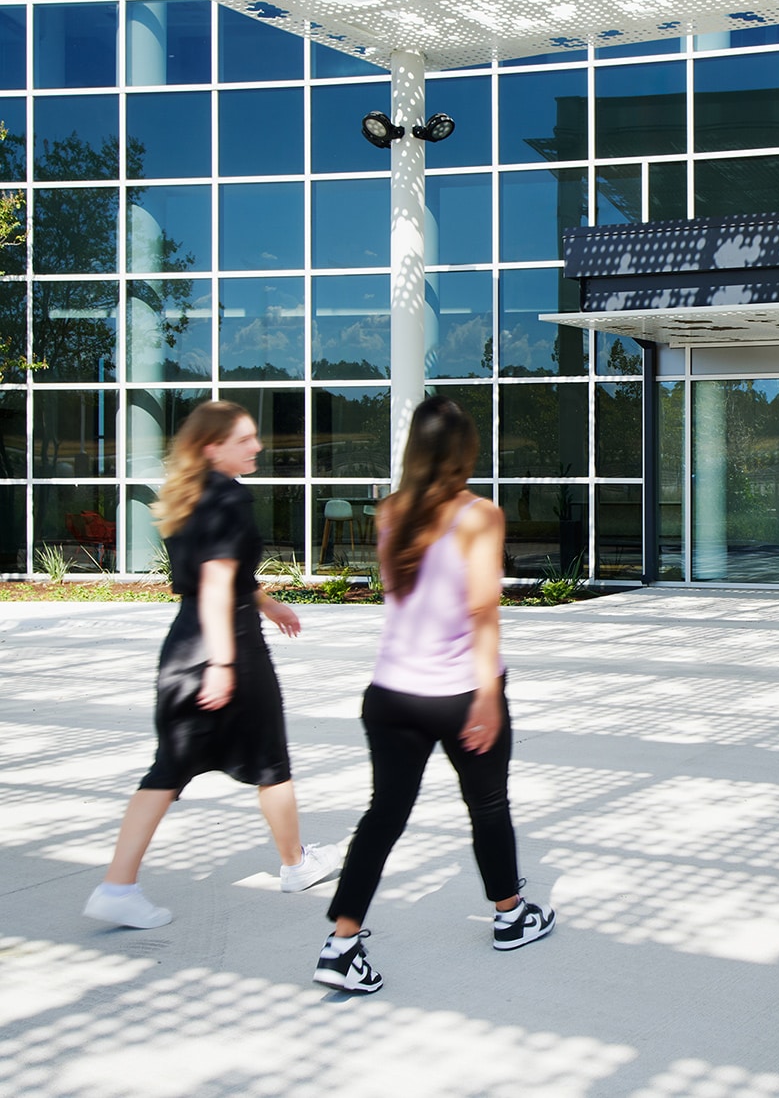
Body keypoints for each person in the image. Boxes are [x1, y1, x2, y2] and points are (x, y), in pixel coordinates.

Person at [314, 396, 554, 995]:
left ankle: (341, 945)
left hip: (391, 692)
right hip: (458, 689)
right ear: (464, 450)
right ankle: (510, 916)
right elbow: (481, 610)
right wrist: (486, 699)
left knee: (384, 815)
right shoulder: (479, 515)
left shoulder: (389, 510)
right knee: (488, 804)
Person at [84, 401, 343, 930]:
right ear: (212, 446)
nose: (257, 447)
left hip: (181, 650)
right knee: (271, 762)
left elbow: (213, 576)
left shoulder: (187, 495)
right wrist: (224, 663)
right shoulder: (229, 497)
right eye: (244, 439)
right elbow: (220, 586)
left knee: (167, 770)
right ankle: (295, 864)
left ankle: (118, 885)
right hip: (231, 652)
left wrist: (268, 603)